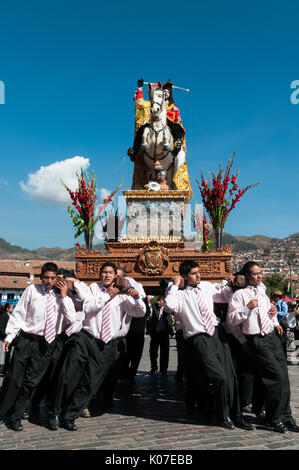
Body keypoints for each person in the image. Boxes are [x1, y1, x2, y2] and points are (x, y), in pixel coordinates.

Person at [165, 260, 252, 430]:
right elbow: (168, 307)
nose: (198, 275)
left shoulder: (205, 286)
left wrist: (229, 284)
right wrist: (175, 285)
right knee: (219, 377)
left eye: (198, 272)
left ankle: (236, 415)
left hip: (218, 333)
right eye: (193, 273)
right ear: (184, 276)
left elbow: (224, 295)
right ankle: (222, 414)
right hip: (199, 338)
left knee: (230, 376)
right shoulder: (180, 296)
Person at [59, 262, 146, 431]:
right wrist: (107, 295)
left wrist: (136, 297)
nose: (106, 275)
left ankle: (69, 416)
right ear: (100, 275)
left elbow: (140, 312)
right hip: (86, 338)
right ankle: (58, 409)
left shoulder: (123, 295)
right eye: (104, 272)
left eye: (110, 273)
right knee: (69, 375)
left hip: (107, 345)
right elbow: (87, 308)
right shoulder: (93, 289)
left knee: (91, 382)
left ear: (116, 276)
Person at [0, 262, 76, 432]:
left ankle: (16, 417)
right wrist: (10, 336)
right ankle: (2, 411)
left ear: (57, 279)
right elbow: (19, 313)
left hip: (46, 344)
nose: (49, 281)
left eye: (52, 278)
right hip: (26, 340)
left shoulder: (63, 296)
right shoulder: (31, 290)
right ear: (41, 277)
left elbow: (72, 318)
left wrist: (64, 296)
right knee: (13, 378)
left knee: (31, 383)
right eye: (46, 277)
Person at [227, 261, 299, 433]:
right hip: (257, 340)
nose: (259, 276)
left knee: (284, 377)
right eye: (255, 273)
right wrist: (247, 308)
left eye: (260, 273)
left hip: (273, 337)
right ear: (246, 275)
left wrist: (274, 318)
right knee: (275, 377)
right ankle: (273, 418)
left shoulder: (263, 293)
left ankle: (286, 415)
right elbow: (231, 321)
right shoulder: (240, 295)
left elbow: (268, 312)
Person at [148, 296, 174, 376]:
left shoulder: (167, 309)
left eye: (160, 301)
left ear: (164, 301)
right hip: (155, 333)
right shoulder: (153, 307)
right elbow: (150, 312)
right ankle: (154, 367)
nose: (158, 302)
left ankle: (163, 370)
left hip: (164, 333)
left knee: (165, 353)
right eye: (157, 301)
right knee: (152, 352)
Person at [0, 303, 14, 376]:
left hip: (8, 339)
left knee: (7, 355)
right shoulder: (4, 316)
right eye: (12, 307)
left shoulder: (9, 315)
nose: (13, 308)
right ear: (7, 309)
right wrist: (7, 334)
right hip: (4, 339)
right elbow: (2, 328)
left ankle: (6, 369)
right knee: (4, 355)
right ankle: (3, 370)